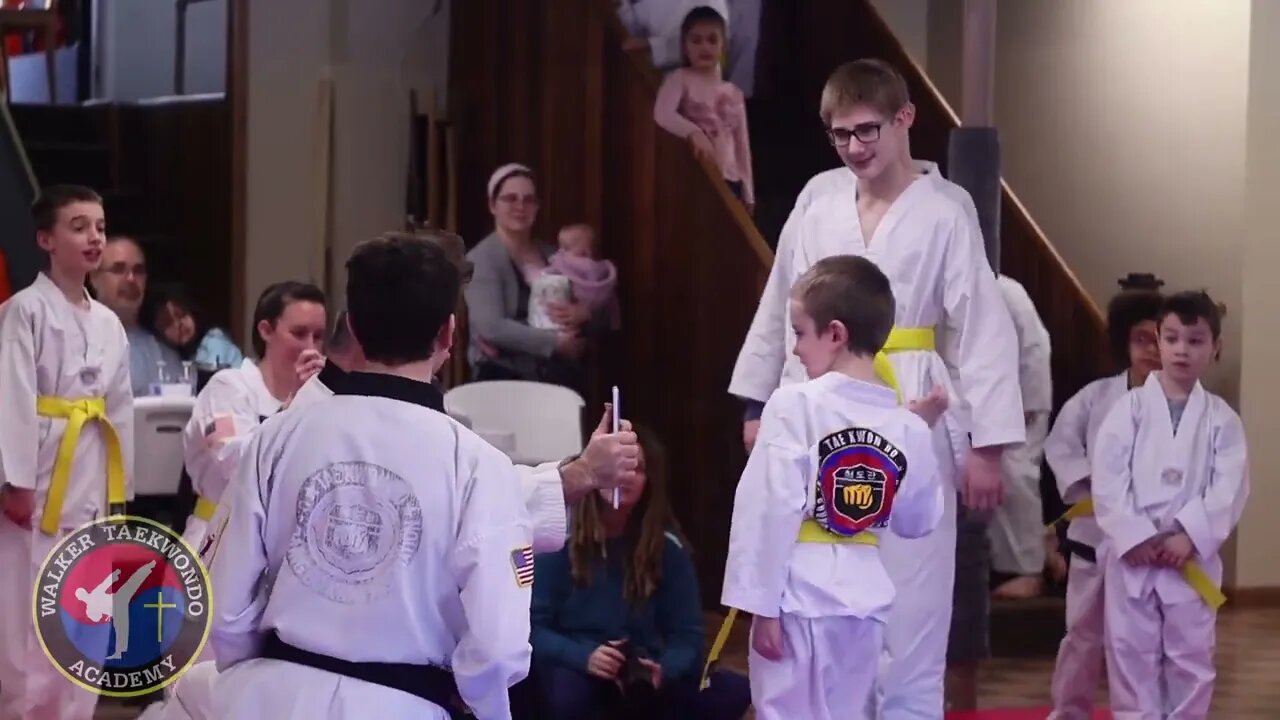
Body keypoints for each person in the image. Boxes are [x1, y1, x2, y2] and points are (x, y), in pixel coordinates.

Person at [727, 58, 1024, 719]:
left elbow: (980, 320)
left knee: (914, 600)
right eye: (839, 135)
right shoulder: (817, 197)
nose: (855, 148)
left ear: (904, 120)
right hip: (815, 403)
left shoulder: (947, 208)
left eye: (867, 131)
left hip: (912, 402)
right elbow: (783, 300)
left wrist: (988, 445)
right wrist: (757, 402)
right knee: (818, 583)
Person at [209, 235, 534, 719]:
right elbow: (499, 646)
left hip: (268, 699)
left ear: (352, 329)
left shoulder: (277, 436)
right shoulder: (477, 465)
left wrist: (252, 679)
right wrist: (483, 705)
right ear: (449, 334)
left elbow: (224, 606)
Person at [722, 255, 946, 720]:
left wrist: (759, 605)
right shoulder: (904, 425)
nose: (797, 350)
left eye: (801, 332)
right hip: (865, 601)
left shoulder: (792, 404)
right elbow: (919, 521)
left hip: (798, 595)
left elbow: (766, 509)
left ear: (836, 333)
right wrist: (915, 436)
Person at [0, 185, 134, 720]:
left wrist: (120, 496)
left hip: (91, 483)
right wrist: (16, 481)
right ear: (46, 239)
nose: (93, 237)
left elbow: (118, 412)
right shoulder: (23, 311)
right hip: (39, 482)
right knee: (29, 626)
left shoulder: (108, 323)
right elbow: (11, 396)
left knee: (87, 616)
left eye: (99, 226)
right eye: (78, 226)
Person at [1092, 291, 1245, 719]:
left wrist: (1189, 536)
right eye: (1172, 338)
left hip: (1188, 560)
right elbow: (1108, 479)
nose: (1182, 349)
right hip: (1134, 559)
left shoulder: (1222, 421)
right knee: (1129, 656)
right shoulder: (1129, 409)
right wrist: (1134, 535)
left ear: (1215, 348)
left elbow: (1228, 488)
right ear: (1157, 341)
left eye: (1195, 341)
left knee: (1191, 659)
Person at [532, 426, 750, 720]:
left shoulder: (667, 549)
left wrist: (662, 669)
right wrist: (584, 657)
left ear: (650, 482)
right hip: (577, 663)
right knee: (566, 697)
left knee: (732, 692)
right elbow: (532, 629)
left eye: (637, 469)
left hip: (642, 668)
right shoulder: (559, 541)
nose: (625, 477)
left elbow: (688, 637)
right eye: (617, 468)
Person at [1043, 282, 1164, 719]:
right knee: (1082, 632)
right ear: (1123, 344)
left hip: (1151, 539)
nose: (1151, 350)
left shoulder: (1186, 406)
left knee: (1138, 637)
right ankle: (1069, 711)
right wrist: (1093, 484)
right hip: (1094, 533)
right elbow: (1060, 446)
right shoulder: (1095, 398)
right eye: (1140, 339)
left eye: (1159, 339)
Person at [180, 281, 325, 574]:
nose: (310, 347)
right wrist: (292, 407)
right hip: (216, 541)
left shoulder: (320, 401)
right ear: (266, 331)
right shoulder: (228, 387)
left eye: (319, 336)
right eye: (298, 334)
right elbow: (233, 461)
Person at [465, 164, 594, 386]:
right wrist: (555, 342)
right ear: (492, 205)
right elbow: (491, 326)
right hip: (503, 375)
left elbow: (593, 299)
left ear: (537, 206)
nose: (520, 206)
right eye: (510, 198)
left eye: (528, 199)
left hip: (556, 372)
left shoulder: (553, 254)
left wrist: (583, 313)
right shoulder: (482, 258)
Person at [653, 6, 754, 211]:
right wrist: (694, 132)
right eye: (696, 40)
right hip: (696, 174)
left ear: (724, 45)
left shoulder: (733, 92)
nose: (704, 47)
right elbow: (662, 113)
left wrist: (749, 191)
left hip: (730, 178)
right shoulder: (680, 78)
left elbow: (742, 145)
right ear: (684, 45)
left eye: (712, 40)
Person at [988, 275, 1053, 599]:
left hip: (1020, 404)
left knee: (1014, 475)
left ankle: (1027, 570)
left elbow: (1034, 347)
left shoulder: (1007, 290)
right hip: (981, 405)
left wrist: (1027, 402)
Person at [89, 235, 182, 396]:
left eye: (138, 271)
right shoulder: (70, 343)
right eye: (118, 269)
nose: (131, 279)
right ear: (94, 278)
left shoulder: (163, 356)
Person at [146, 281, 245, 370]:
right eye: (167, 323)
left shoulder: (214, 342)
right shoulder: (171, 354)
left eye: (181, 314)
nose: (178, 324)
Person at [540, 223, 619, 331]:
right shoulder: (603, 270)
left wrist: (586, 313)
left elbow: (542, 275)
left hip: (569, 323)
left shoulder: (560, 261)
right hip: (560, 328)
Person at [618, 0, 730, 72]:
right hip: (649, 79)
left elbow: (713, 39)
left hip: (699, 80)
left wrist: (651, 45)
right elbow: (633, 29)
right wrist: (621, 6)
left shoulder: (713, 2)